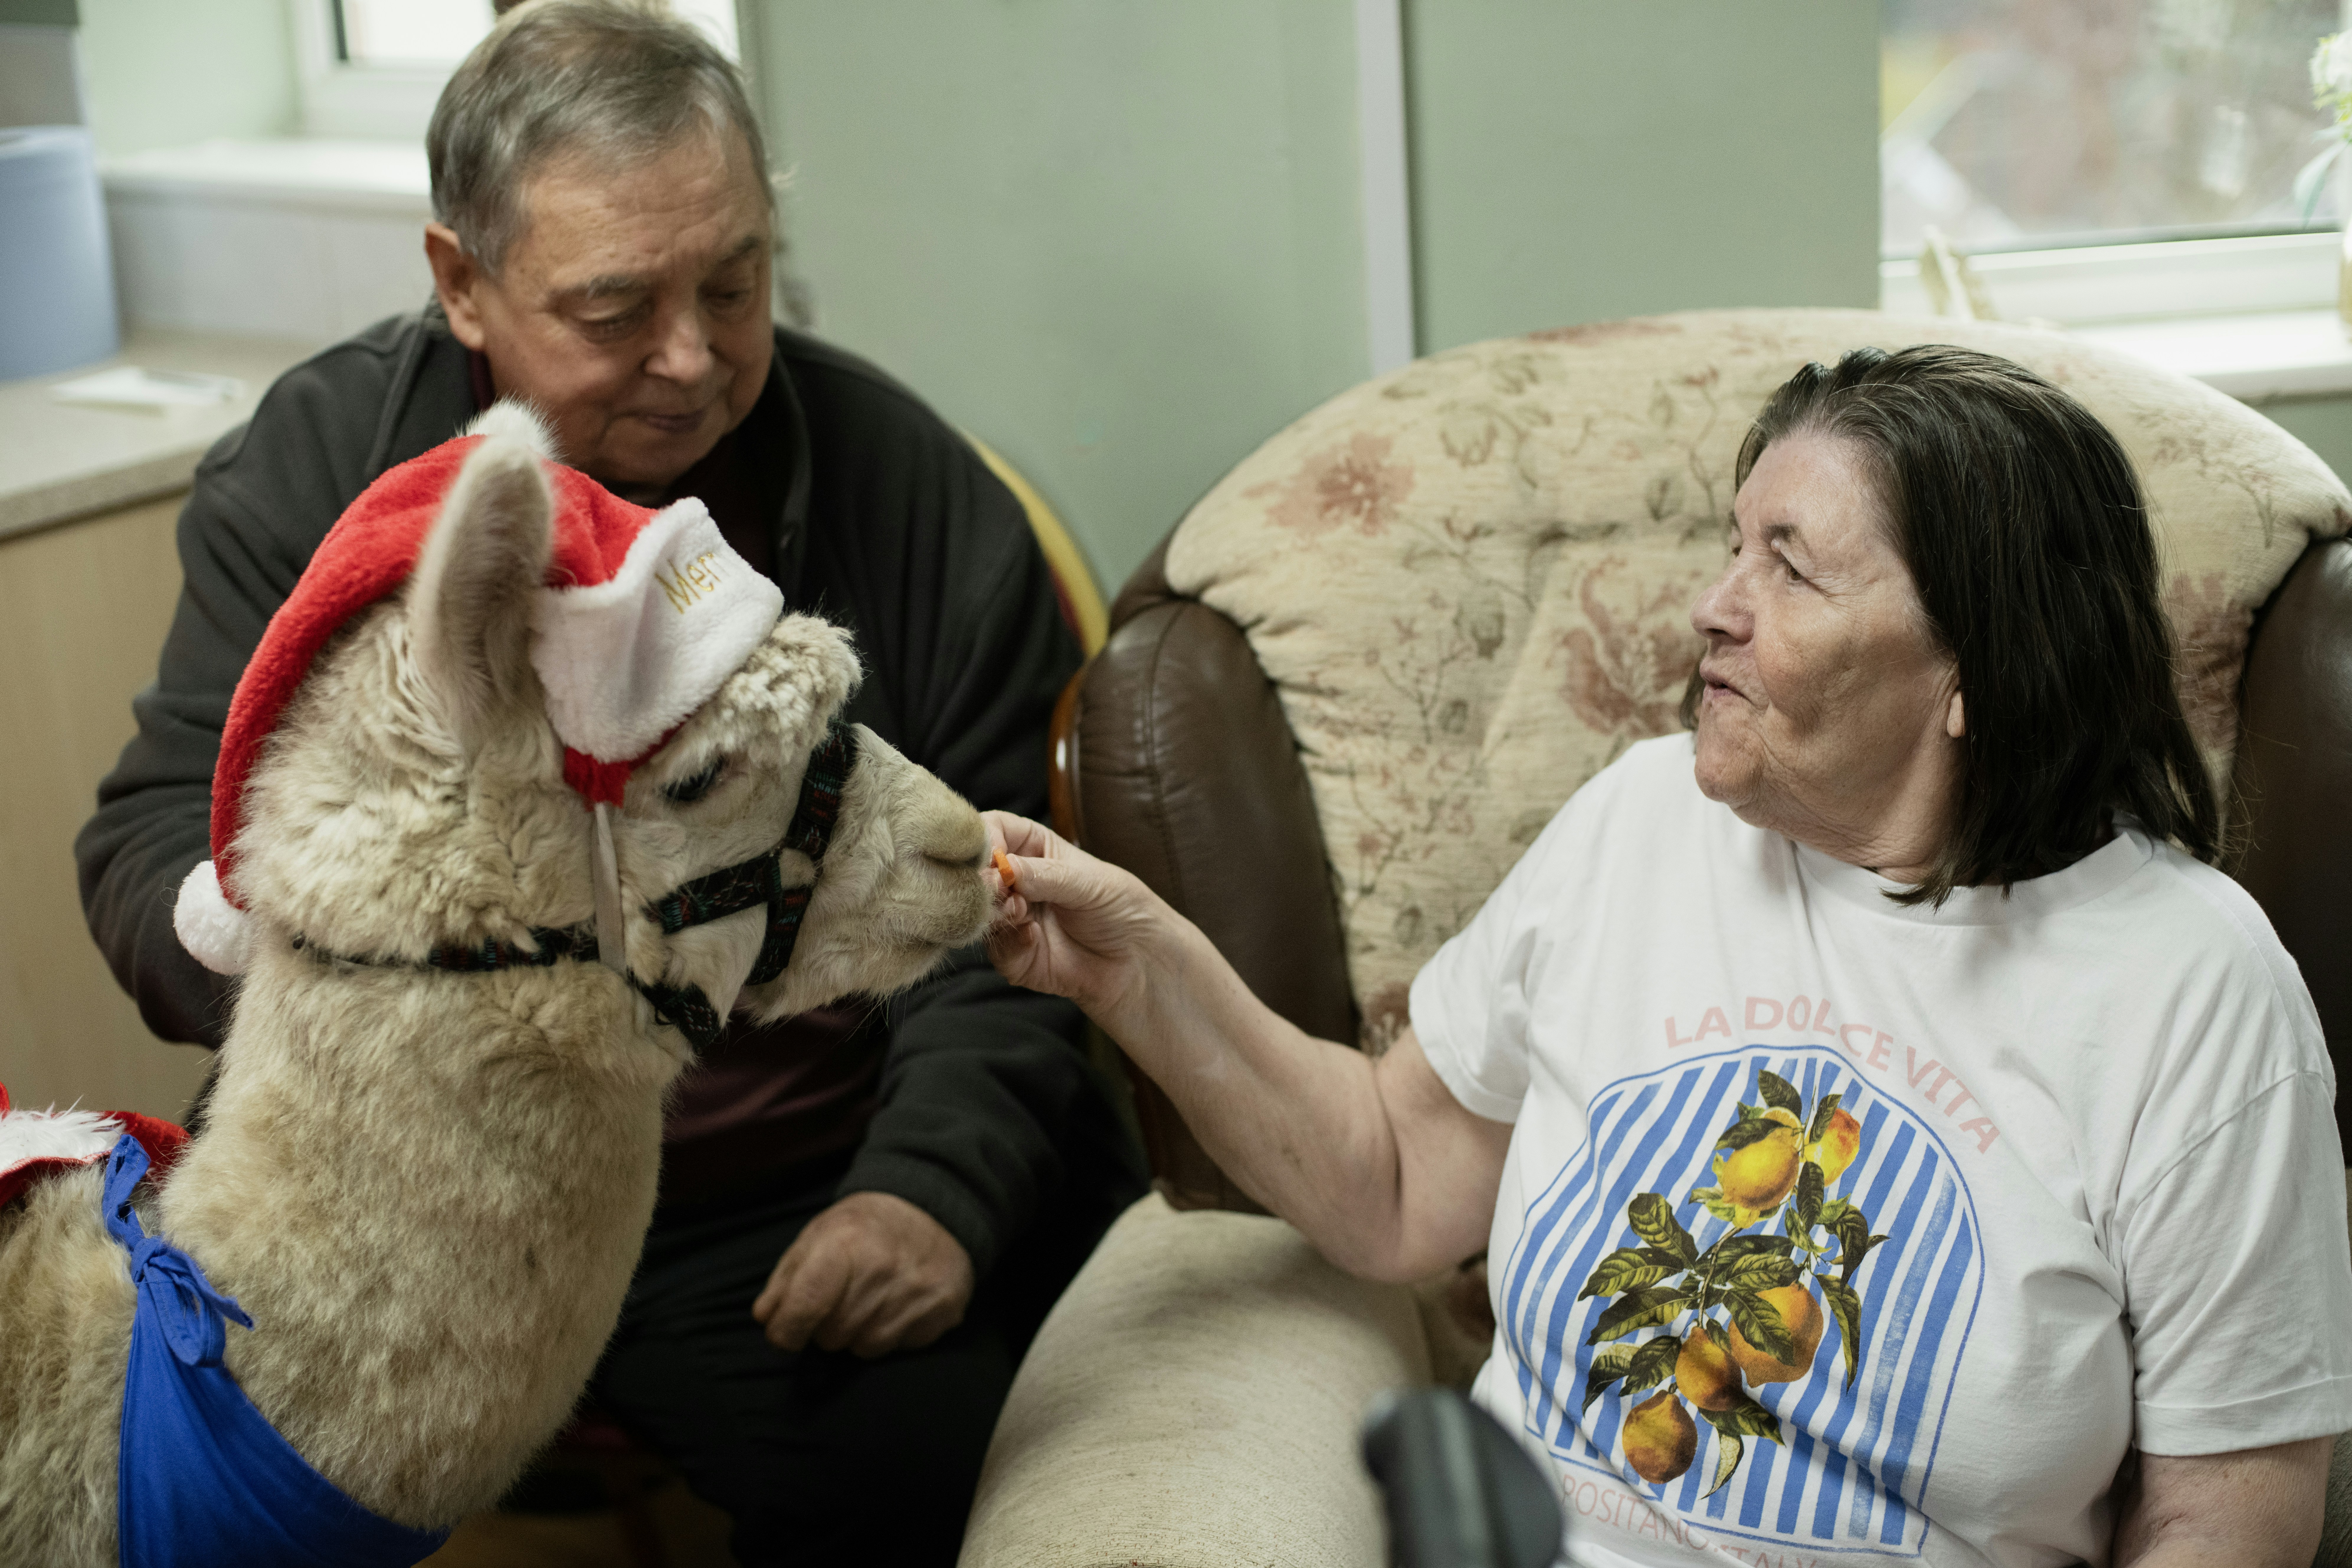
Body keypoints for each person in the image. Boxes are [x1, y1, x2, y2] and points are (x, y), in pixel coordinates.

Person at [984, 345, 2352, 1568]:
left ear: (1971, 679)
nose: (1712, 605)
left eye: (1791, 567)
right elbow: (1390, 1183)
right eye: (1733, 545)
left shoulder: (2191, 990)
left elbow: (2225, 1520)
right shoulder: (1641, 824)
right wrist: (1139, 967)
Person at [75, 4, 1141, 1562]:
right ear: (462, 285)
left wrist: (931, 1192)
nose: (696, 357)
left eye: (735, 280)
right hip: (408, 1178)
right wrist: (348, 944)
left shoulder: (905, 487)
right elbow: (154, 837)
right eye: (617, 307)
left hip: (770, 1190)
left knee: (926, 1475)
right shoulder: (314, 476)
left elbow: (1002, 886)